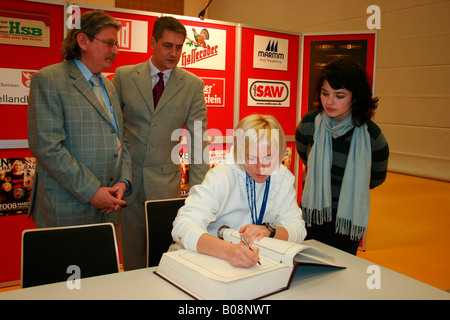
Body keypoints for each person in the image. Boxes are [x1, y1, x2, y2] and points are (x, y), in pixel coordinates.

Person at [112, 16, 209, 270]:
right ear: (152, 42)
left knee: (163, 260)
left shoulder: (192, 85)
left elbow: (198, 140)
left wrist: (199, 194)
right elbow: (113, 131)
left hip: (165, 189)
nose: (174, 53)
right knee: (132, 260)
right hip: (126, 185)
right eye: (168, 45)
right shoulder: (123, 77)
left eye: (179, 47)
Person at [27, 11, 132, 228]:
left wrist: (123, 181)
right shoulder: (49, 80)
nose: (116, 50)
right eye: (109, 43)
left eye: (116, 44)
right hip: (66, 208)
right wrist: (92, 191)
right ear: (83, 41)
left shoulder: (110, 87)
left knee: (101, 263)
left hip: (108, 207)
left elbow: (120, 141)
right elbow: (47, 147)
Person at [172, 114, 306, 268]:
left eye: (269, 157)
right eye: (252, 158)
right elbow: (182, 227)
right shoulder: (222, 176)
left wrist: (271, 231)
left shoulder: (282, 177)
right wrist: (228, 251)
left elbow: (298, 229)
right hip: (210, 261)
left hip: (254, 264)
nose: (261, 167)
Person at [295, 58, 389, 255]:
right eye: (325, 93)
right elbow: (304, 154)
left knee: (344, 270)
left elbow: (376, 178)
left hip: (347, 218)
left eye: (339, 95)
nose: (329, 102)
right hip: (313, 213)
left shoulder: (372, 136)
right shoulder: (309, 123)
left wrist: (352, 185)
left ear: (355, 97)